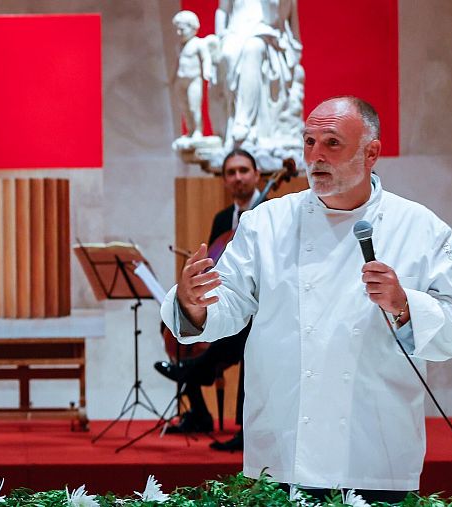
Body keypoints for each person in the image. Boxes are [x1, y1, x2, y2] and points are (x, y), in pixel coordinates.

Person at [162, 96, 452, 503]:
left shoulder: (421, 228)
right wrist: (195, 305)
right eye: (309, 142)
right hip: (285, 442)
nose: (316, 156)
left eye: (332, 143)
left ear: (371, 153)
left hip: (376, 449)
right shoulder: (266, 223)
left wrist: (404, 305)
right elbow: (231, 302)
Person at [156, 149, 258, 449]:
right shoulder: (223, 218)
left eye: (243, 170)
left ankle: (244, 430)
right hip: (228, 294)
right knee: (176, 320)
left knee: (245, 332)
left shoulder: (270, 213)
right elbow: (216, 261)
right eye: (231, 173)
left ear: (257, 175)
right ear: (224, 180)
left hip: (261, 304)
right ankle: (199, 412)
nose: (238, 178)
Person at [207, 0, 304, 156]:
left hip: (267, 33)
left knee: (253, 48)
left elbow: (282, 20)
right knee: (227, 55)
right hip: (234, 32)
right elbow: (222, 10)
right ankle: (229, 125)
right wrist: (220, 35)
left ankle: (244, 121)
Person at [170, 10, 220, 151]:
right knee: (184, 108)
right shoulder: (179, 46)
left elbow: (206, 58)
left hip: (194, 80)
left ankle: (198, 130)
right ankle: (190, 130)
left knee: (194, 107)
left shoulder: (199, 43)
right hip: (181, 80)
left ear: (192, 27)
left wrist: (207, 71)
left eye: (182, 29)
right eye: (177, 30)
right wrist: (172, 78)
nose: (179, 33)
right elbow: (177, 63)